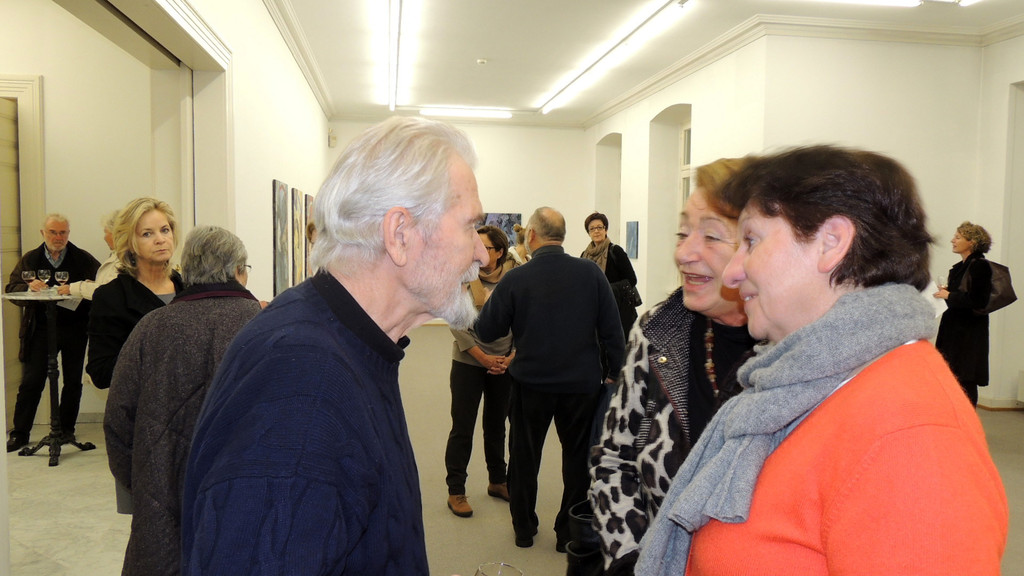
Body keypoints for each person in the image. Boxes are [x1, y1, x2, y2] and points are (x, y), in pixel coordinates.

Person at [636, 146, 1008, 575]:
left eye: (751, 241)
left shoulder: (910, 435)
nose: (733, 273)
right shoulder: (798, 385)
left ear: (831, 242)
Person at [181, 116, 488, 576]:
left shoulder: (344, 342)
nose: (482, 253)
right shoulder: (304, 383)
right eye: (470, 227)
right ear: (399, 234)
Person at [589, 159, 756, 575]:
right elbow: (613, 457)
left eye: (711, 236)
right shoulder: (658, 333)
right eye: (683, 233)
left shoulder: (799, 358)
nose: (683, 252)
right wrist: (629, 559)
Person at [104, 225, 260, 576]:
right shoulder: (262, 325)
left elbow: (118, 419)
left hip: (160, 498)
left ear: (187, 272)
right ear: (239, 271)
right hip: (245, 501)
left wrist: (146, 481)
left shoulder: (151, 327)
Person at [476, 207, 625, 552]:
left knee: (524, 457)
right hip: (581, 387)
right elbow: (613, 331)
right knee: (577, 461)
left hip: (531, 385)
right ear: (563, 235)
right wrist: (614, 374)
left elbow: (487, 330)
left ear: (531, 235)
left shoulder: (516, 278)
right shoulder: (590, 273)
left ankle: (524, 529)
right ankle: (567, 533)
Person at [4, 214, 100, 452]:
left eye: (62, 232)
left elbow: (101, 286)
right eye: (53, 232)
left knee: (72, 381)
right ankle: (20, 433)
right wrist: (29, 287)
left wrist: (79, 289)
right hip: (41, 328)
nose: (58, 237)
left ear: (68, 233)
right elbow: (12, 288)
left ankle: (66, 430)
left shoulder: (82, 258)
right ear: (43, 233)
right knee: (32, 380)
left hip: (75, 327)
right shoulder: (30, 259)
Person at [445, 225, 517, 518]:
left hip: (503, 363)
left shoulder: (514, 279)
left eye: (485, 247)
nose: (477, 251)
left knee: (497, 425)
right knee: (463, 427)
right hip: (469, 362)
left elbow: (522, 319)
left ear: (499, 252)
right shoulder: (463, 276)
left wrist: (511, 357)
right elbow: (456, 322)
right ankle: (456, 490)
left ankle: (497, 481)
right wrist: (483, 357)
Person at [87, 198, 183, 390]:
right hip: (141, 403)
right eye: (147, 233)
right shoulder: (110, 297)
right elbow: (101, 373)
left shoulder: (190, 289)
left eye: (165, 230)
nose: (160, 239)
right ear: (130, 243)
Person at [933, 221, 994, 407]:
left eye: (958, 237)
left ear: (972, 242)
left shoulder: (980, 266)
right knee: (952, 377)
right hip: (954, 331)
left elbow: (979, 300)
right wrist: (947, 293)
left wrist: (949, 295)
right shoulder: (960, 267)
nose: (953, 240)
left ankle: (967, 420)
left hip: (968, 333)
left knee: (966, 379)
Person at [581, 212, 639, 340]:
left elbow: (632, 279)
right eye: (592, 228)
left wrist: (608, 289)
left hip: (617, 311)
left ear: (605, 229)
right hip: (594, 312)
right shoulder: (584, 255)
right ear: (588, 233)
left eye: (599, 227)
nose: (596, 231)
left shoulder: (615, 251)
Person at [67, 210, 121, 300]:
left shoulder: (125, 260)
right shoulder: (116, 256)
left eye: (106, 232)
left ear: (116, 233)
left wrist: (74, 288)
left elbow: (109, 291)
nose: (104, 237)